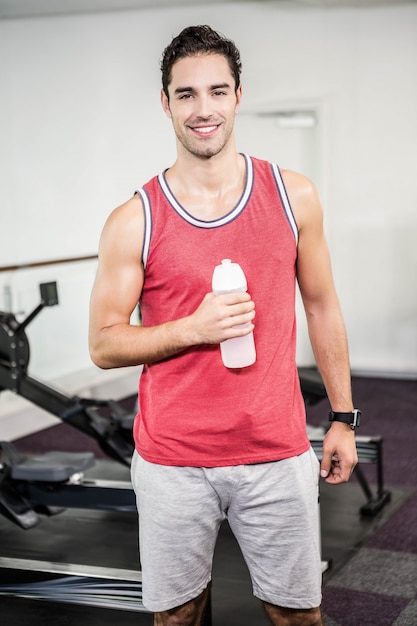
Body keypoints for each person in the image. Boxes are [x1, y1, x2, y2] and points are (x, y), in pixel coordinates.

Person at [89, 24, 358, 626]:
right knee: (178, 616)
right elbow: (104, 345)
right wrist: (194, 327)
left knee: (298, 616)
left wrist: (343, 416)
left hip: (276, 451)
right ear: (165, 102)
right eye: (186, 94)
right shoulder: (134, 219)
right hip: (172, 461)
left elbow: (321, 306)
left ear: (238, 96)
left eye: (217, 91)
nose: (202, 109)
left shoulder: (295, 196)